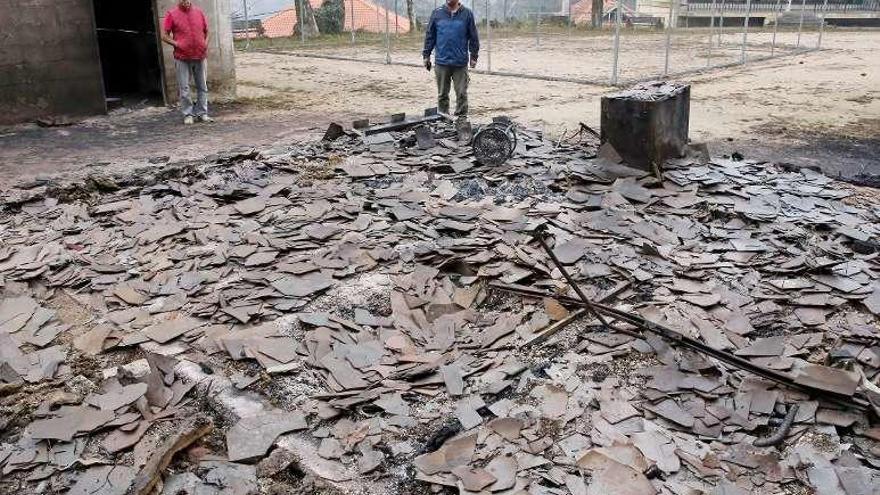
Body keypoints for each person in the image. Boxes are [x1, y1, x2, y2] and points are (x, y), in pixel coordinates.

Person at [422, 0, 480, 120]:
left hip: (460, 63)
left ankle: (461, 119)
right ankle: (443, 119)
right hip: (442, 62)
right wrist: (426, 55)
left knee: (462, 94)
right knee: (442, 94)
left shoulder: (467, 14)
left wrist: (474, 56)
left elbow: (473, 36)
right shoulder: (437, 13)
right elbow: (430, 35)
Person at [161, 0, 212, 125]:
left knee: (202, 87)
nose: (186, 1)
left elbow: (208, 32)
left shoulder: (199, 12)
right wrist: (177, 44)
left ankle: (202, 113)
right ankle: (188, 114)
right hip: (182, 57)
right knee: (184, 87)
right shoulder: (171, 14)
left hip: (200, 56)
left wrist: (205, 45)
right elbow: (164, 35)